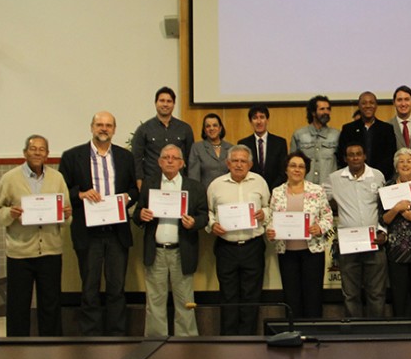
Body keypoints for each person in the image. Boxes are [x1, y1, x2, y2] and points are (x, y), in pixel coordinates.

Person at [59, 111, 139, 336]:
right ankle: (91, 336)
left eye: (108, 125)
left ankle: (117, 335)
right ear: (91, 127)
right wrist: (81, 194)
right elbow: (63, 191)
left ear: (114, 129)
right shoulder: (72, 156)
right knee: (90, 288)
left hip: (116, 232)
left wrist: (128, 198)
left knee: (116, 288)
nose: (104, 129)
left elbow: (134, 189)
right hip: (88, 232)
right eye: (99, 125)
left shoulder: (125, 157)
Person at [0, 134, 72, 336]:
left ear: (47, 154)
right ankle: (16, 348)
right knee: (18, 305)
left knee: (51, 304)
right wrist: (10, 213)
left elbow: (67, 215)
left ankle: (52, 346)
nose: (37, 152)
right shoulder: (10, 179)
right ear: (25, 152)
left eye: (42, 149)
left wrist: (65, 215)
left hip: (50, 251)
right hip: (20, 253)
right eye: (33, 148)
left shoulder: (57, 178)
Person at [132, 145, 208, 337]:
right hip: (156, 251)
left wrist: (194, 223)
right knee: (155, 303)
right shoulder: (150, 184)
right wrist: (141, 214)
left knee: (185, 302)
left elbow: (204, 216)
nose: (170, 161)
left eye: (175, 158)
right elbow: (137, 214)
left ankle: (186, 344)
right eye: (165, 157)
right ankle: (155, 344)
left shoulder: (194, 187)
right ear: (159, 161)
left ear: (182, 163)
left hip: (181, 252)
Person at [206, 145, 271, 335]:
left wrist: (263, 214)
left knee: (251, 296)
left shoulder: (259, 182)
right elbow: (209, 212)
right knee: (228, 296)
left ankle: (249, 339)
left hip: (253, 246)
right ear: (227, 163)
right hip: (226, 247)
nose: (239, 165)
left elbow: (269, 207)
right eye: (235, 161)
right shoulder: (216, 185)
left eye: (243, 161)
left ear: (250, 164)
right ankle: (228, 341)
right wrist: (212, 225)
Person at [324, 142, 389, 318]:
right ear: (345, 158)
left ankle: (376, 336)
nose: (355, 157)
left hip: (374, 242)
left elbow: (384, 207)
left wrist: (383, 231)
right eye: (351, 155)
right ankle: (354, 334)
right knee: (350, 294)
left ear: (364, 156)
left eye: (358, 154)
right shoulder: (334, 179)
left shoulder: (377, 176)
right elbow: (319, 199)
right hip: (349, 246)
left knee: (376, 293)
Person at [266, 151, 333, 318]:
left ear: (306, 170)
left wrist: (320, 227)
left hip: (312, 252)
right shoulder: (277, 192)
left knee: (313, 296)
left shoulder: (317, 191)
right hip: (287, 252)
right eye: (293, 166)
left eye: (301, 166)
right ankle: (294, 333)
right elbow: (271, 218)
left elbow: (328, 216)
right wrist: (271, 231)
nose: (297, 169)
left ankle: (314, 332)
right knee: (291, 297)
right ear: (286, 169)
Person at [378, 148, 411, 317]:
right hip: (396, 249)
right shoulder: (387, 187)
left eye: (409, 161)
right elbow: (383, 219)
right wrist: (396, 209)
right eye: (401, 161)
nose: (405, 164)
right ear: (395, 166)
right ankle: (400, 326)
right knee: (399, 293)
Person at [131, 86, 194, 190]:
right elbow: (136, 159)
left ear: (174, 104)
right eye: (162, 101)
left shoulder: (185, 128)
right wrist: (139, 182)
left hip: (178, 183)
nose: (165, 104)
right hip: (152, 183)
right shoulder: (144, 129)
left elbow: (190, 158)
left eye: (169, 101)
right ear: (156, 103)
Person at [337, 91, 397, 180]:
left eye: (371, 103)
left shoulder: (387, 129)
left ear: (376, 106)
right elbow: (342, 155)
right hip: (353, 178)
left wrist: (378, 175)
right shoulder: (348, 129)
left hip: (380, 177)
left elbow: (390, 156)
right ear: (359, 106)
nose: (368, 106)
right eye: (364, 103)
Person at [291, 95, 340, 185]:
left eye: (328, 109)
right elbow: (292, 164)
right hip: (305, 187)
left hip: (329, 187)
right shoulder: (299, 135)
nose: (326, 112)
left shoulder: (336, 135)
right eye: (322, 109)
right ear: (313, 112)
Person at [238, 105, 288, 191]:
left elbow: (283, 171)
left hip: (275, 190)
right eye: (255, 118)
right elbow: (242, 170)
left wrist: (272, 190)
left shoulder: (280, 142)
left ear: (267, 120)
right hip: (251, 190)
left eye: (262, 117)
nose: (259, 121)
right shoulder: (243, 144)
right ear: (250, 121)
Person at [188, 113, 234, 189]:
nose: (211, 128)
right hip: (206, 193)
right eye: (208, 126)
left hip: (228, 192)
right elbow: (194, 177)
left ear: (220, 128)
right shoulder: (197, 148)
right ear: (204, 130)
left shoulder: (231, 148)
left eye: (215, 125)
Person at [388, 85, 411, 150]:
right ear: (394, 103)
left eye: (407, 99)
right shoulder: (387, 126)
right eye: (399, 100)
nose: (403, 104)